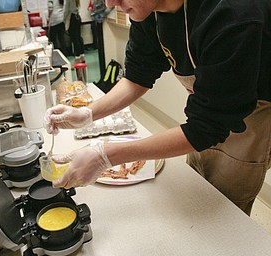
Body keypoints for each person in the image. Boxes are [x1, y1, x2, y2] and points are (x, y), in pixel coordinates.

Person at [44, 0, 271, 216]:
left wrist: (105, 155)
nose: (111, 3)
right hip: (212, 108)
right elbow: (137, 76)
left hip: (255, 108)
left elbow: (206, 127)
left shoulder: (232, 14)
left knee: (225, 205)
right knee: (198, 185)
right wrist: (88, 113)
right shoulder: (149, 10)